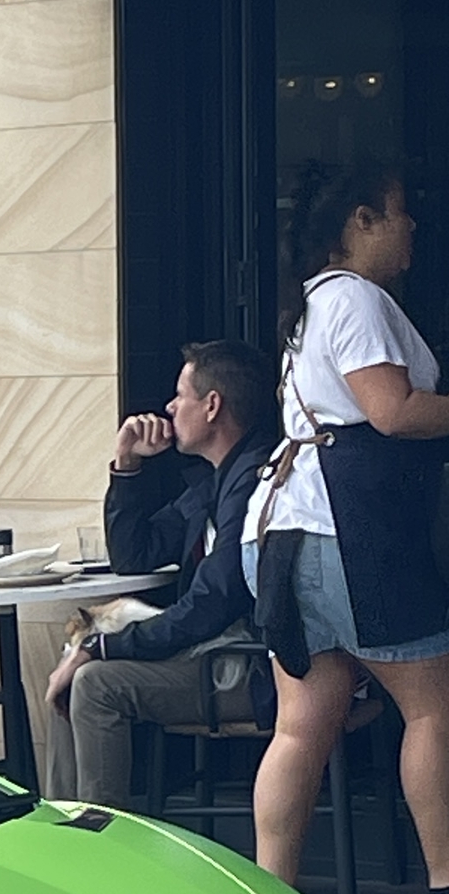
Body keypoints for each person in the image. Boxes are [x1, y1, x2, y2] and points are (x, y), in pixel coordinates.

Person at [245, 166, 449, 894]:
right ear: (360, 221)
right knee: (432, 702)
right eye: (401, 213)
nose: (413, 227)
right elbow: (394, 412)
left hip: (284, 532)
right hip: (351, 530)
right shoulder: (354, 298)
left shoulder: (311, 304)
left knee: (301, 725)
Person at [43, 339, 276, 808]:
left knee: (93, 682)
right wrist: (126, 464)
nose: (168, 407)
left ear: (212, 406)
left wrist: (103, 648)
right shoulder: (215, 481)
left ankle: (95, 841)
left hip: (251, 669)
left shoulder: (253, 482)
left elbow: (210, 603)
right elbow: (136, 554)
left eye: (180, 395)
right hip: (215, 655)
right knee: (77, 661)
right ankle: (63, 827)